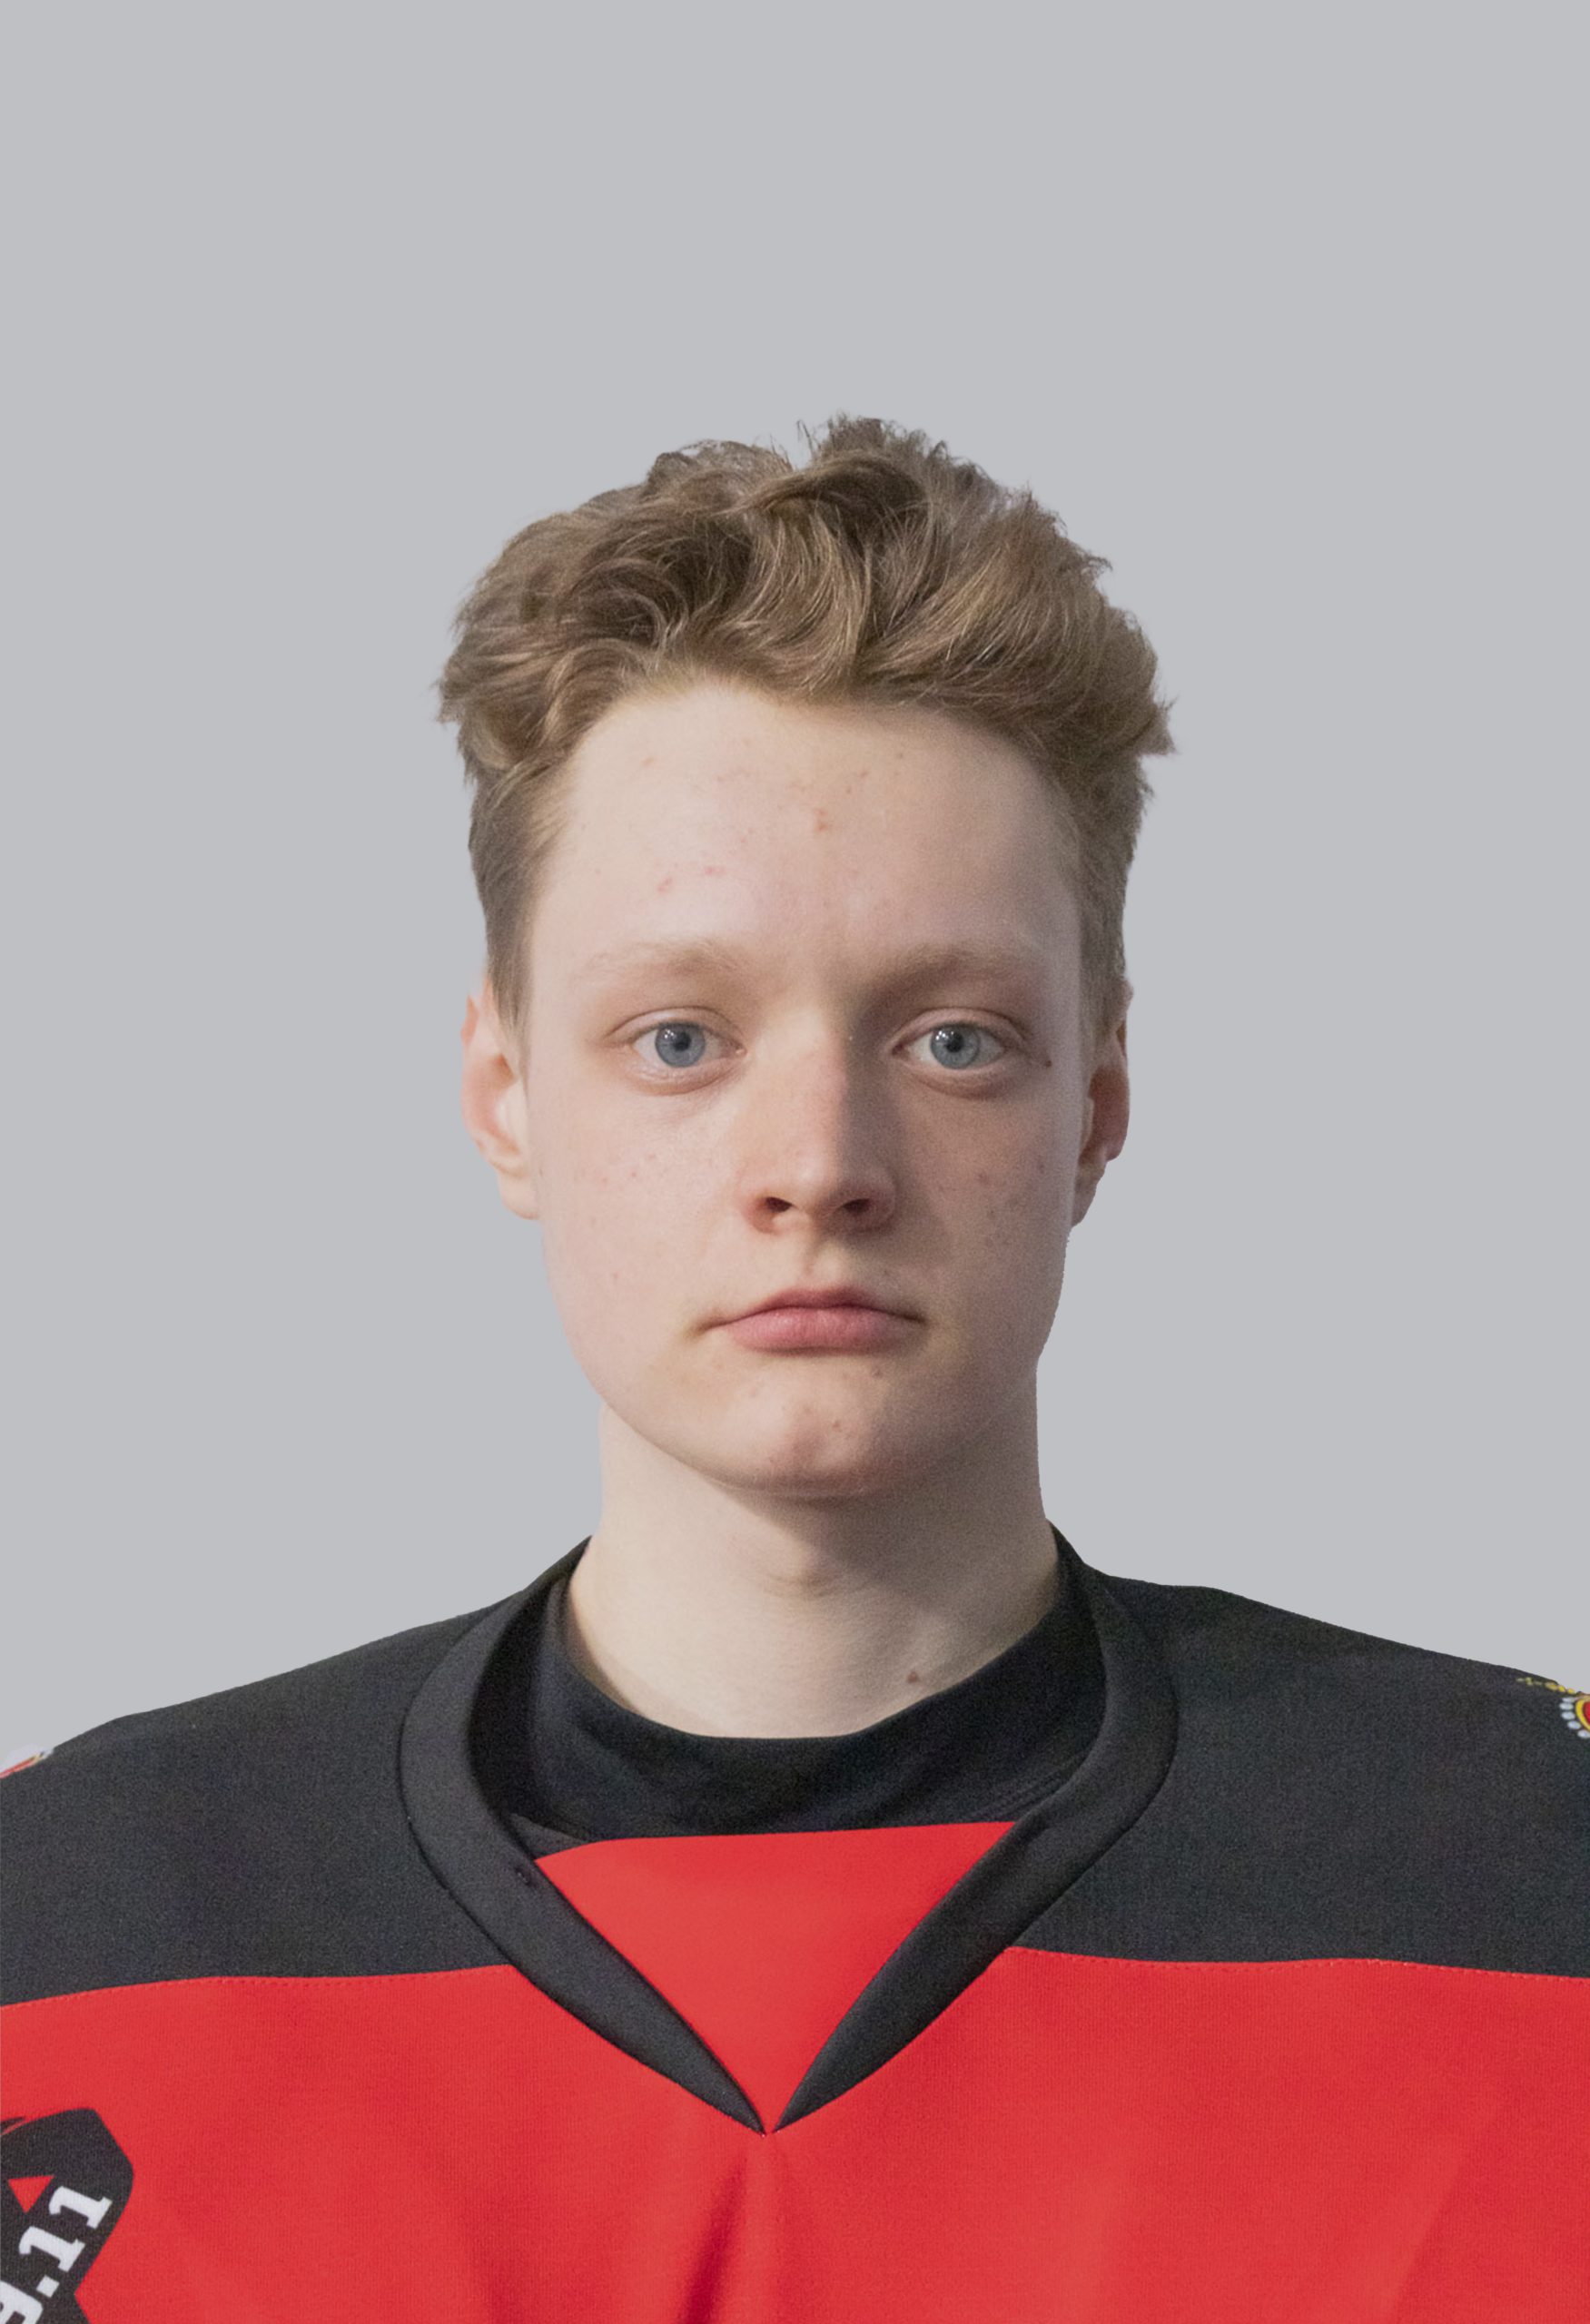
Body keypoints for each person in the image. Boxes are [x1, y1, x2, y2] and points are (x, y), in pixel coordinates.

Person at [4, 416, 1585, 2320]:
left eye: (953, 1039)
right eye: (680, 1037)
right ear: (507, 1095)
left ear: (1097, 1103)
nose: (819, 1162)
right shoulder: (71, 1922)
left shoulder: (1531, 1880)